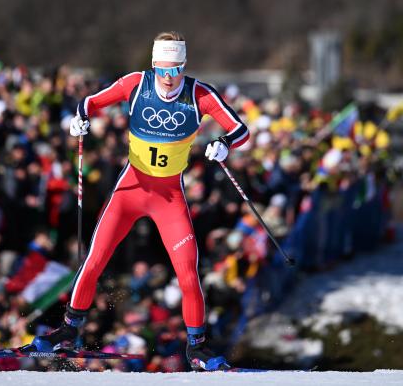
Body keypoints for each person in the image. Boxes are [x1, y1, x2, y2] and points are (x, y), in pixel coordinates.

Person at [29, 31, 249, 371]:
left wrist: (224, 143)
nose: (167, 78)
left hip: (169, 196)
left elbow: (240, 129)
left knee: (188, 273)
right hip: (130, 190)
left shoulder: (199, 94)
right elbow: (89, 102)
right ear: (153, 65)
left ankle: (198, 348)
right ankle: (68, 331)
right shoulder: (136, 83)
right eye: (161, 69)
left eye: (175, 70)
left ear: (183, 66)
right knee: (94, 259)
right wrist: (80, 121)